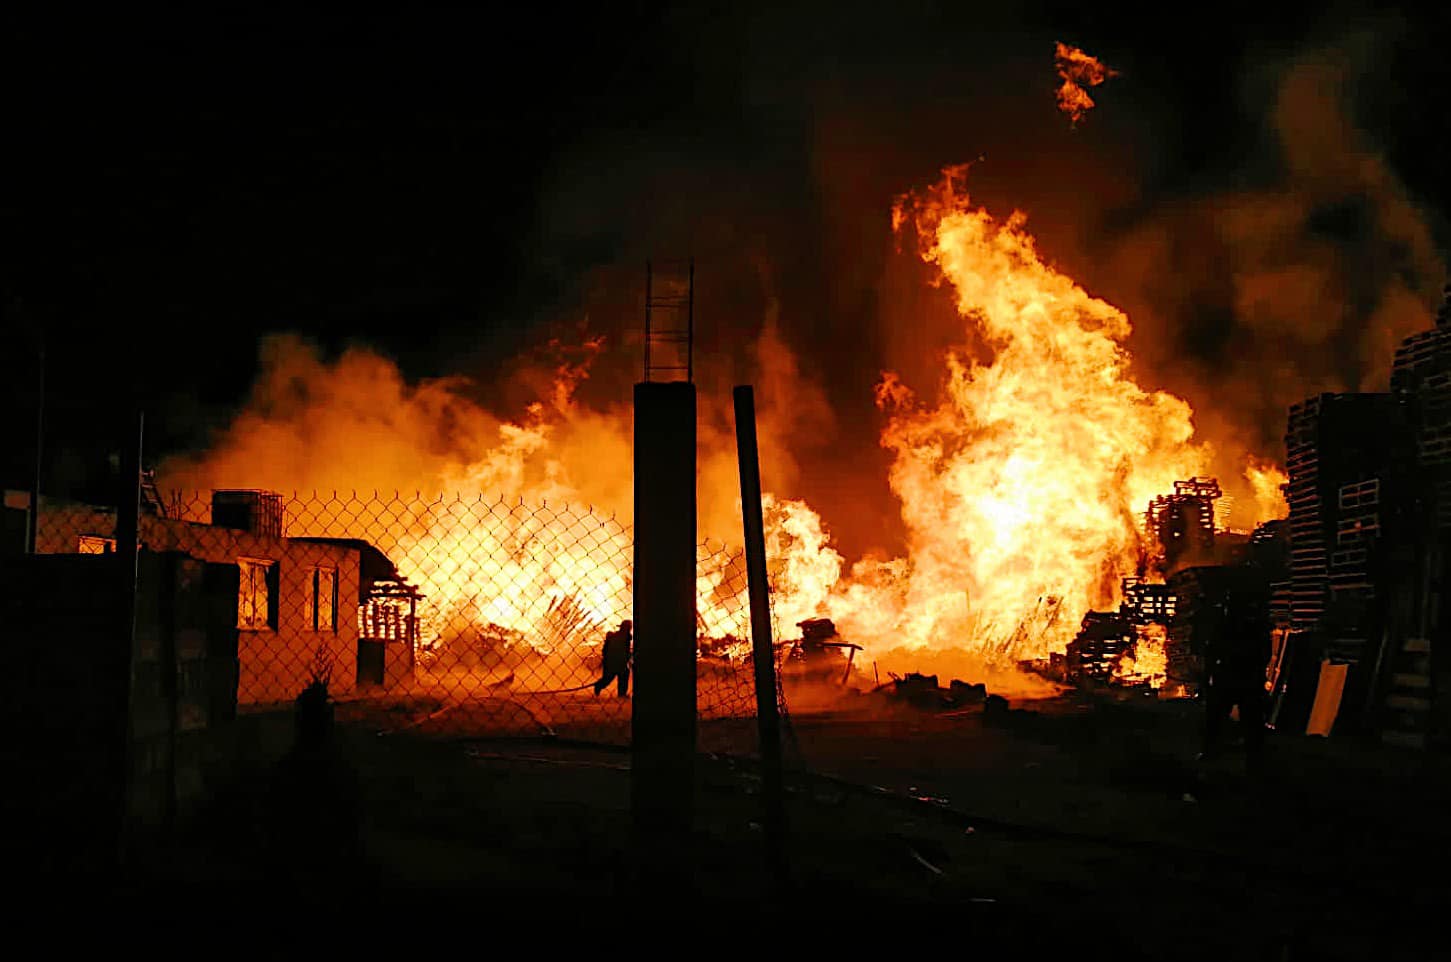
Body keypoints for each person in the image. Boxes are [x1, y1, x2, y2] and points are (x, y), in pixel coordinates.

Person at [1201, 579, 1271, 773]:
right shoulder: (1253, 625)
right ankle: (1252, 758)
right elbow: (1264, 653)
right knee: (1247, 721)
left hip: (1234, 678)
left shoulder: (1229, 626)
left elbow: (1212, 652)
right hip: (1243, 679)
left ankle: (1215, 751)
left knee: (1221, 719)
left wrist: (1208, 677)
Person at [594, 620, 632, 697]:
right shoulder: (620, 637)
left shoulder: (625, 637)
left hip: (617, 662)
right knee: (609, 678)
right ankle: (599, 686)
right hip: (612, 661)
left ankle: (621, 693)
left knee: (623, 675)